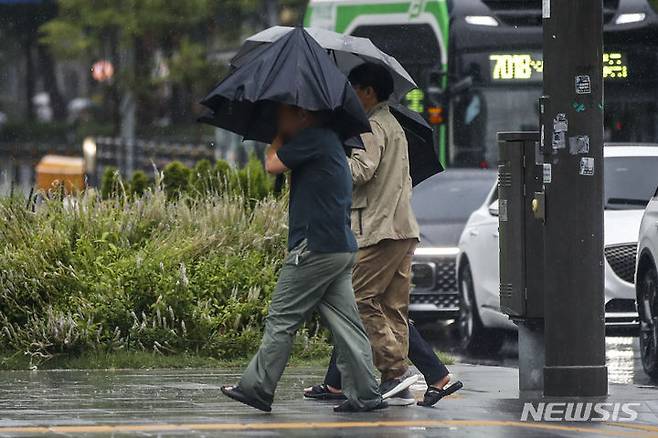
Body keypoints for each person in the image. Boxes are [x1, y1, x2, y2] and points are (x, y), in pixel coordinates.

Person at [304, 63, 462, 406]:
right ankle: (407, 385)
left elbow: (361, 171)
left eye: (353, 89)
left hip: (379, 230)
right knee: (392, 308)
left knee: (358, 302)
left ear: (368, 92)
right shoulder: (392, 124)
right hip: (402, 228)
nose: (349, 95)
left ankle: (395, 371)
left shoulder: (371, 125)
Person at [221, 103, 387, 413]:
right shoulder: (329, 140)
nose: (277, 117)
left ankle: (257, 388)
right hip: (339, 247)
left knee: (282, 319)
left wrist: (278, 136)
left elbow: (271, 164)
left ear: (302, 114)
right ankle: (365, 394)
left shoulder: (313, 139)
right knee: (347, 326)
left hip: (314, 249)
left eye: (282, 112)